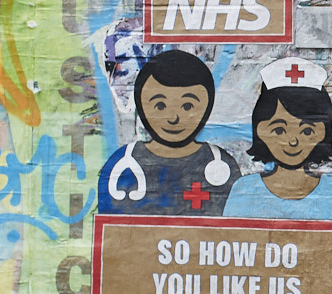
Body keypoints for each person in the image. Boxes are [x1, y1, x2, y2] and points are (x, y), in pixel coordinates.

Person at [97, 49, 240, 215]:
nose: (174, 118)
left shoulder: (222, 165)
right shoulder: (121, 165)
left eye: (187, 106)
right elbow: (109, 226)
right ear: (142, 105)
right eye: (160, 106)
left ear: (207, 107)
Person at [224, 57, 332, 223]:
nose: (293, 141)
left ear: (322, 133)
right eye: (279, 130)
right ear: (261, 130)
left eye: (306, 131)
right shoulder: (245, 191)